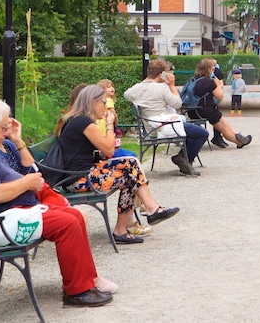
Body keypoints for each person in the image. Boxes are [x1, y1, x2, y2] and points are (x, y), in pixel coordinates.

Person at [0, 98, 115, 308]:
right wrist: (26, 183)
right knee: (67, 223)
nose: (5, 133)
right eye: (3, 128)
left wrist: (26, 174)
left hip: (16, 211)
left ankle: (87, 281)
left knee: (73, 216)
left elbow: (27, 171)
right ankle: (77, 291)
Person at [56, 84, 180, 245]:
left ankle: (125, 227)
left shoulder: (78, 120)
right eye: (103, 102)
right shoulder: (82, 122)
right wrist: (109, 123)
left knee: (130, 172)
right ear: (93, 103)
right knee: (130, 167)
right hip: (78, 180)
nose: (106, 107)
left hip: (83, 175)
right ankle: (150, 209)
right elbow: (108, 150)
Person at [123, 59, 209, 176]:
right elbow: (178, 104)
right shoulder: (161, 88)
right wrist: (171, 85)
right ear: (161, 75)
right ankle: (184, 159)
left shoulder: (136, 88)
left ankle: (183, 158)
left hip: (150, 129)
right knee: (202, 133)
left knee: (190, 131)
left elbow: (126, 94)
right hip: (166, 127)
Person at [187, 58, 252, 148]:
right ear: (208, 69)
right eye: (212, 69)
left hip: (193, 110)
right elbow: (220, 96)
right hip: (206, 111)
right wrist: (217, 84)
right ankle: (239, 142)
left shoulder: (194, 79)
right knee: (223, 128)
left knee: (223, 122)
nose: (214, 71)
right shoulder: (208, 82)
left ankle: (238, 135)